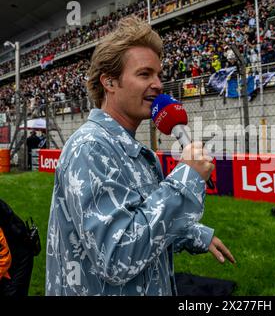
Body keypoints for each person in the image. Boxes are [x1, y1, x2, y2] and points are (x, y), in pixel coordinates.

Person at [45, 16, 235, 296]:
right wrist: (186, 179)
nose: (158, 84)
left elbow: (141, 220)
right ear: (109, 82)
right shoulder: (90, 147)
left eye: (159, 75)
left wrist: (194, 235)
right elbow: (117, 256)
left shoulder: (134, 150)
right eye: (145, 74)